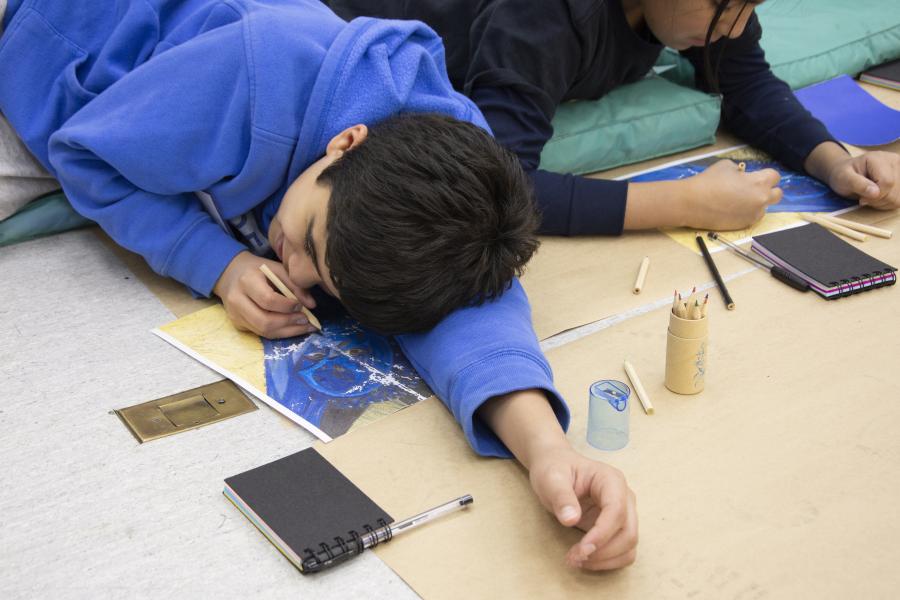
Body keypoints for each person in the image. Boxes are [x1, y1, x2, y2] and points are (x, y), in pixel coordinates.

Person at [0, 0, 637, 571]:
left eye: (321, 276)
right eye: (306, 239)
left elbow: (473, 309)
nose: (295, 277)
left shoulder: (454, 164)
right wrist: (217, 263)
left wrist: (548, 450)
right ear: (343, 144)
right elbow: (85, 154)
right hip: (50, 34)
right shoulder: (251, 82)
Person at [325, 0, 900, 236]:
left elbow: (744, 80)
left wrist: (836, 165)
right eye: (722, 7)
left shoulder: (704, 12)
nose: (732, 26)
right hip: (328, 28)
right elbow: (494, 182)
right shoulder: (543, 18)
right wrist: (683, 204)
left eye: (748, 8)